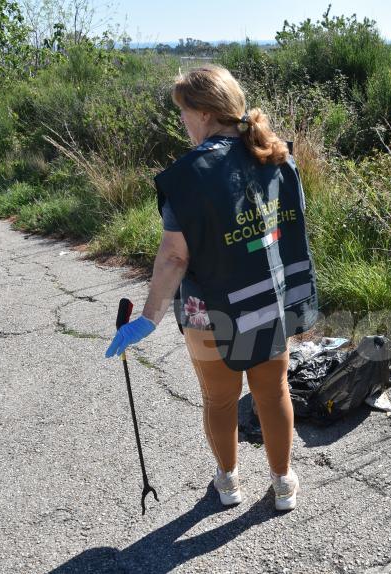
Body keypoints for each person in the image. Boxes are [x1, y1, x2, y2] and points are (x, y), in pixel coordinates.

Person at [105, 64, 319, 510]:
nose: (181, 121)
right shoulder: (276, 155)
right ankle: (282, 484)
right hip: (267, 301)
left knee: (219, 399)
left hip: (209, 314)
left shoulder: (187, 176)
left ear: (202, 113)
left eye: (182, 111)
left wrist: (148, 319)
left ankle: (228, 483)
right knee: (273, 391)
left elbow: (175, 257)